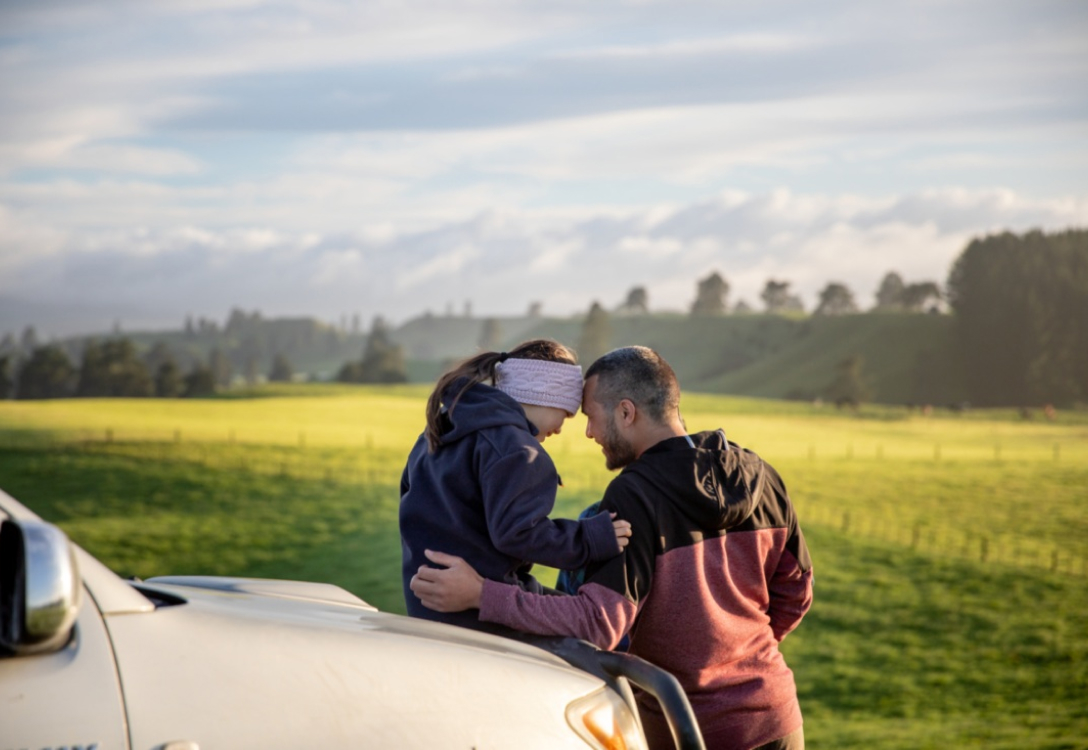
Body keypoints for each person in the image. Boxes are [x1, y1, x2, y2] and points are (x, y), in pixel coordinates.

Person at [411, 346, 813, 750]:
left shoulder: (635, 494)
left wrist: (482, 595)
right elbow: (796, 594)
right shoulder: (760, 474)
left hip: (687, 728)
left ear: (625, 412)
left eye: (589, 417)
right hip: (777, 719)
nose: (588, 433)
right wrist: (738, 658)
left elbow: (598, 624)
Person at [399, 338, 632, 633]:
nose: (561, 428)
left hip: (426, 602)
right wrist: (590, 538)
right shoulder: (520, 451)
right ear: (545, 395)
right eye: (567, 412)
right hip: (475, 611)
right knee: (593, 633)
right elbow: (520, 533)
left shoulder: (440, 431)